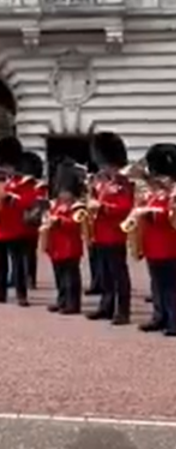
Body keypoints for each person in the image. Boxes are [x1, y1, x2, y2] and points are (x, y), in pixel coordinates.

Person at [86, 131, 134, 326]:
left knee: (118, 274)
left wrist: (102, 207)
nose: (104, 168)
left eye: (106, 164)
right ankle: (106, 306)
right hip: (100, 234)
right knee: (104, 274)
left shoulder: (123, 184)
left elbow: (125, 208)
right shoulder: (100, 182)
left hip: (115, 234)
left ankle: (123, 310)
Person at [0, 136, 35, 306]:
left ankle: (22, 294)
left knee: (18, 264)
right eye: (2, 165)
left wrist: (9, 198)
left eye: (7, 166)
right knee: (0, 264)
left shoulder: (23, 182)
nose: (5, 169)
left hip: (16, 228)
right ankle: (0, 292)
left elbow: (28, 201)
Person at [135, 143, 176, 337]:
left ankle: (174, 320)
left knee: (171, 286)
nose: (158, 180)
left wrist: (152, 213)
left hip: (169, 244)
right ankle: (159, 316)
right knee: (157, 284)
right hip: (153, 244)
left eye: (161, 176)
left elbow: (172, 216)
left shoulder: (174, 194)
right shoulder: (154, 194)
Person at [40, 162, 86, 315]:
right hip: (57, 246)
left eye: (65, 191)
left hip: (70, 245)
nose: (62, 194)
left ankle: (73, 304)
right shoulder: (55, 204)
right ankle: (62, 301)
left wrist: (59, 221)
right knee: (59, 277)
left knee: (71, 278)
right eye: (61, 191)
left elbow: (77, 223)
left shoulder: (78, 206)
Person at [18, 150, 48, 292]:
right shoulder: (19, 184)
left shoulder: (39, 186)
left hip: (31, 223)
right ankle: (18, 277)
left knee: (30, 253)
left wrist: (32, 214)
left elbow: (40, 204)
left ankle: (31, 278)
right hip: (18, 222)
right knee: (19, 252)